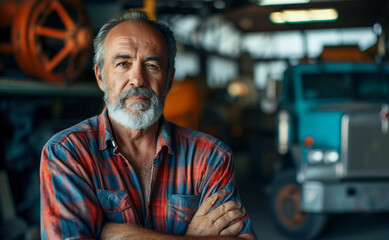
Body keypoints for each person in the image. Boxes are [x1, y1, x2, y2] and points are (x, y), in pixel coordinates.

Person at [40, 9, 256, 240]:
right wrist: (192, 237)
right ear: (101, 77)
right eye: (123, 63)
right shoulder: (67, 153)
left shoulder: (211, 157)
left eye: (152, 66)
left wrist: (118, 234)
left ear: (169, 80)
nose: (138, 79)